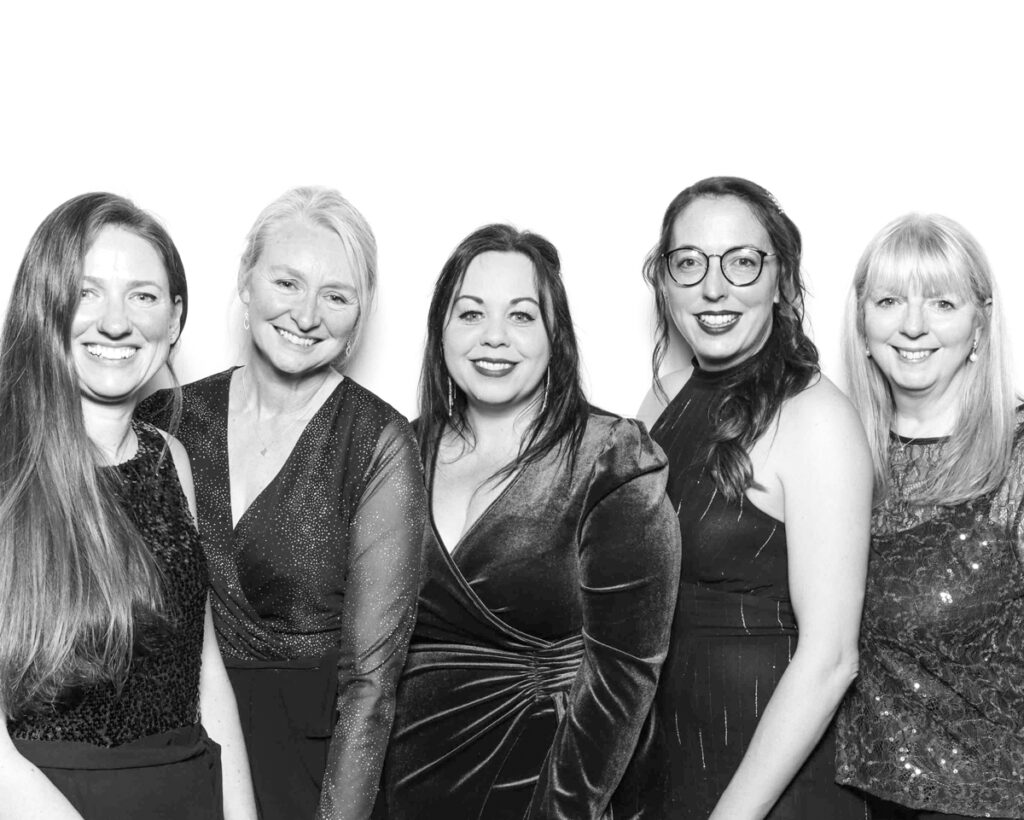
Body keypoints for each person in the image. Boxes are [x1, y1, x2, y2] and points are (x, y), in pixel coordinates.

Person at [373, 224, 681, 819]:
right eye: (470, 314)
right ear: (441, 330)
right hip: (411, 785)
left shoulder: (611, 457)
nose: (494, 338)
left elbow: (624, 675)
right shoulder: (399, 454)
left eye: (520, 316)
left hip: (550, 782)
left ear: (553, 335)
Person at [139, 186, 425, 820]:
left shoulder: (379, 442)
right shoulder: (169, 418)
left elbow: (371, 684)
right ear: (247, 282)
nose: (307, 314)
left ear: (361, 312)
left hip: (312, 773)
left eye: (337, 295)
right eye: (287, 283)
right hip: (172, 750)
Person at [616, 176, 873, 819]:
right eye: (689, 262)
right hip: (663, 762)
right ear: (665, 281)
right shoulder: (659, 400)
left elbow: (832, 657)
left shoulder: (817, 419)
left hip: (766, 785)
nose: (713, 286)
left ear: (781, 280)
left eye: (742, 261)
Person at [0, 193, 257, 819]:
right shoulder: (9, 468)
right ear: (45, 306)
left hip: (189, 793)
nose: (116, 323)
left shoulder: (173, 458)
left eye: (142, 296)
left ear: (173, 321)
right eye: (87, 293)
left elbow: (202, 665)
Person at [835, 214, 1024, 819]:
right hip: (845, 798)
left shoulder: (1017, 455)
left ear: (979, 323)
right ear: (863, 323)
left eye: (942, 302)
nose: (913, 325)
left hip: (989, 802)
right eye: (889, 300)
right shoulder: (834, 453)